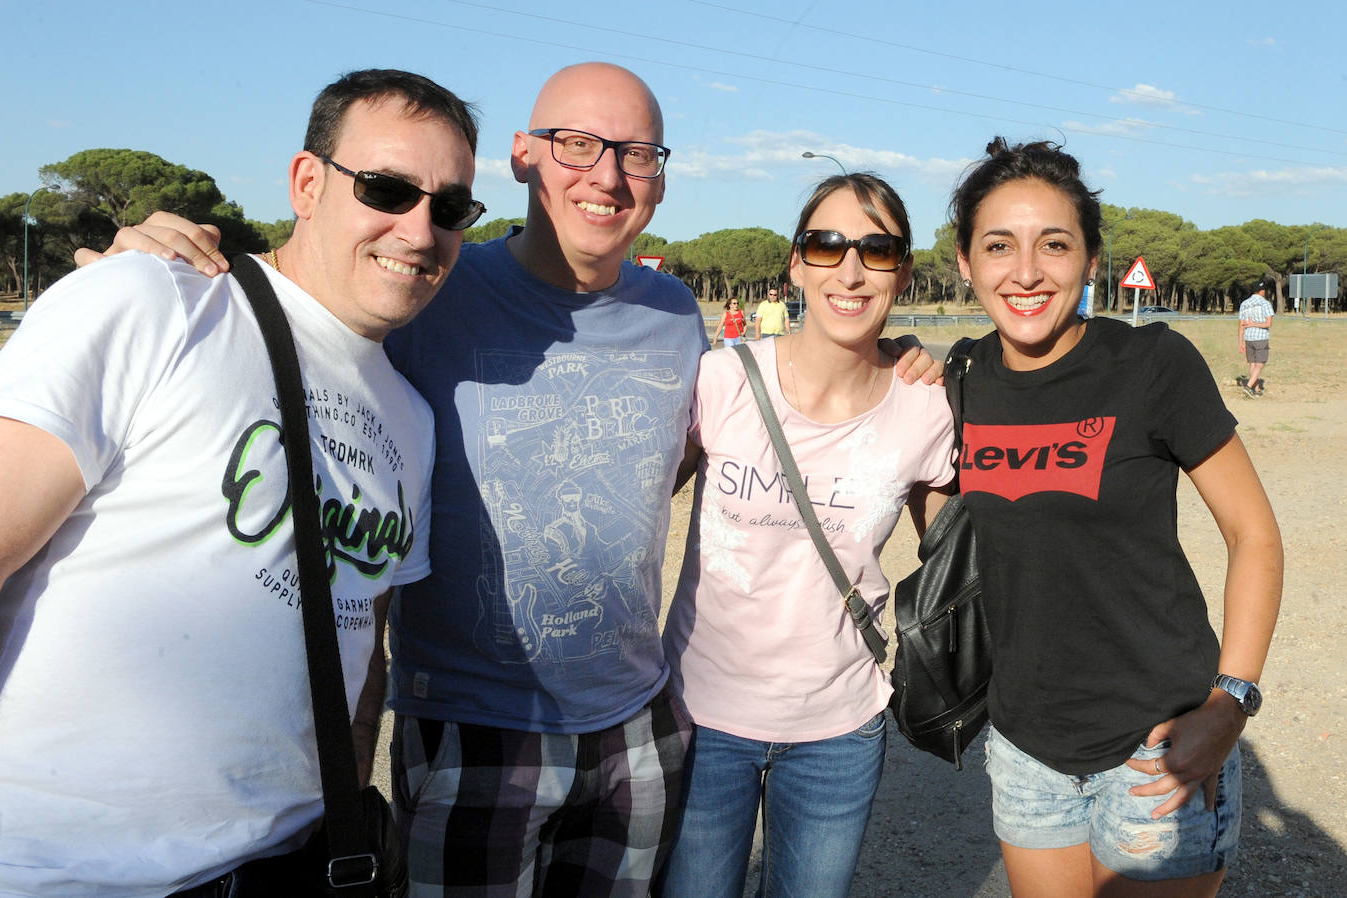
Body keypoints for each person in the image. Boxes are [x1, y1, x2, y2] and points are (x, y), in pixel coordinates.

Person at [84, 63, 941, 895]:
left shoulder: (675, 316)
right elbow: (311, 305)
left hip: (637, 728)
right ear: (524, 156)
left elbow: (680, 466)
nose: (606, 175)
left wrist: (898, 357)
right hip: (471, 725)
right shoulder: (434, 284)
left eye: (636, 154)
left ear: (661, 180)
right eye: (577, 144)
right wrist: (182, 260)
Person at [0, 69, 481, 895]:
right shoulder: (151, 300)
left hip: (289, 867)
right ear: (307, 183)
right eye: (388, 189)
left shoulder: (412, 421)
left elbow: (364, 644)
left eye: (451, 207)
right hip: (53, 870)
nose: (419, 230)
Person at [950, 137, 1283, 898]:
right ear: (966, 262)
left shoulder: (1153, 365)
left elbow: (1254, 534)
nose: (1026, 272)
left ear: (1092, 260)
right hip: (1027, 747)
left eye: (1054, 244)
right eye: (999, 245)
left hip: (1157, 746)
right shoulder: (959, 378)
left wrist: (1230, 703)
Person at [657, 173, 955, 898]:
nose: (850, 271)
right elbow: (633, 504)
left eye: (876, 250)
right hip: (701, 719)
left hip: (838, 730)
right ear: (796, 264)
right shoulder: (721, 380)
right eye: (827, 245)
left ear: (903, 272)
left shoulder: (927, 407)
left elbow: (961, 562)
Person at [1238, 282, 1274, 397]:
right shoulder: (1265, 303)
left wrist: (1240, 342)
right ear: (1262, 291)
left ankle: (1256, 388)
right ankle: (1248, 387)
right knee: (1260, 364)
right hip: (1260, 337)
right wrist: (1255, 323)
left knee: (1252, 364)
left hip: (1248, 338)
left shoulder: (1244, 304)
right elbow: (1268, 324)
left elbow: (1241, 325)